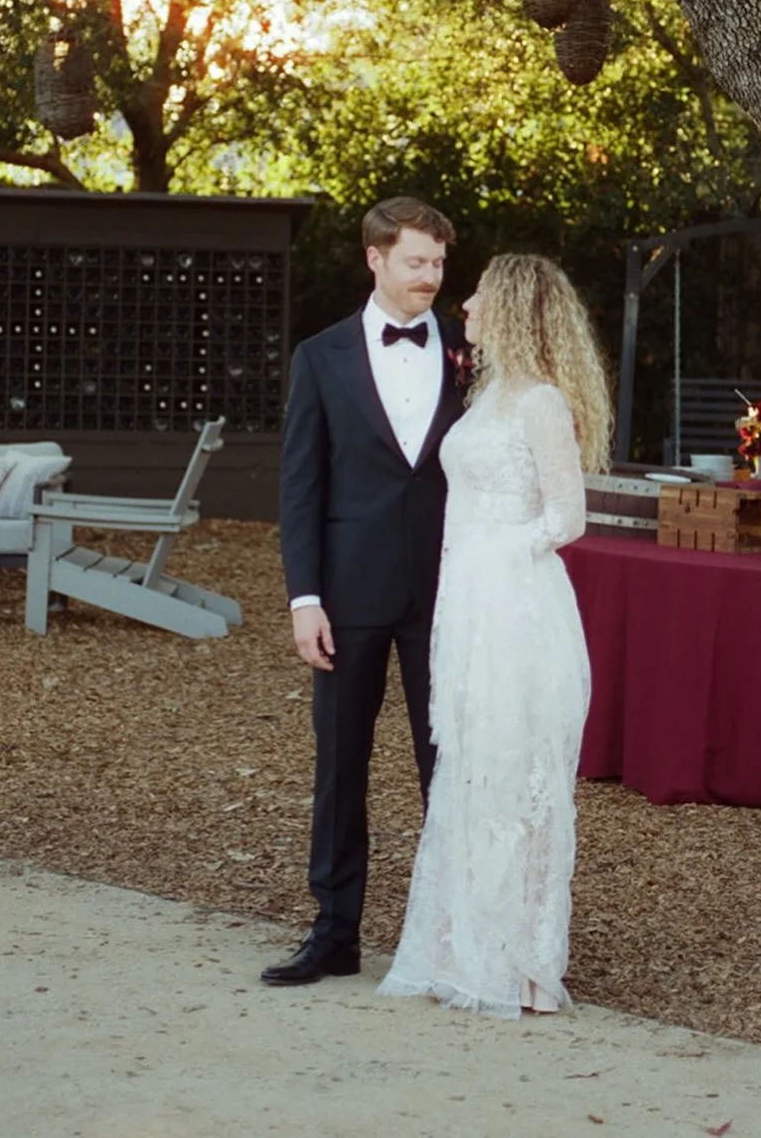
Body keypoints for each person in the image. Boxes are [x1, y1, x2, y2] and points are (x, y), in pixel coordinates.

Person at [378, 252, 612, 1017]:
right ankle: (466, 949)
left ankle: (525, 965)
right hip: (471, 608)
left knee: (518, 779)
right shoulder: (488, 396)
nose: (465, 305)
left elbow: (565, 516)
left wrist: (492, 554)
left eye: (479, 295)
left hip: (517, 608)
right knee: (473, 771)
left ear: (510, 307)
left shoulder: (540, 402)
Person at [261, 196, 469, 987]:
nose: (430, 278)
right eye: (416, 262)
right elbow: (298, 488)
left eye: (439, 264)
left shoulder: (466, 349)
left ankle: (452, 934)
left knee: (445, 763)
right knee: (339, 766)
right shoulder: (320, 358)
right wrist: (303, 598)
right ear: (374, 259)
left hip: (449, 593)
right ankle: (333, 932)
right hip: (345, 595)